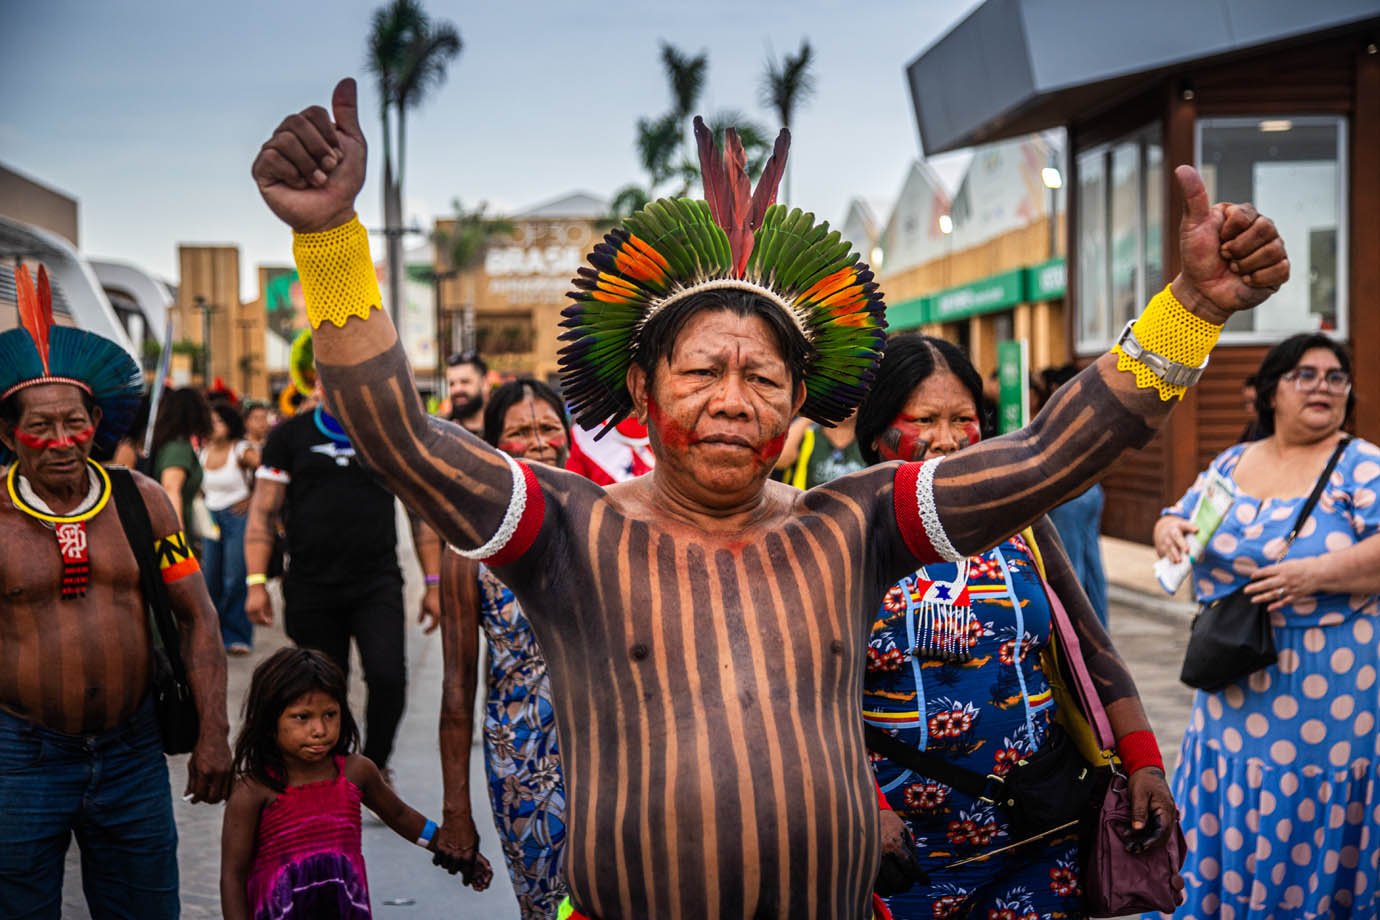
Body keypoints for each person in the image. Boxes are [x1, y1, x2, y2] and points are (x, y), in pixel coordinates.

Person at [251, 78, 1286, 918]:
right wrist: (334, 240)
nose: (732, 399)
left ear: (800, 403)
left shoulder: (854, 523)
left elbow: (1052, 452)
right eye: (703, 371)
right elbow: (393, 431)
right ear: (646, 391)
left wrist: (1190, 309)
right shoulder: (568, 528)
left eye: (762, 377)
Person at [853, 334, 1177, 918]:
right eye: (923, 418)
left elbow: (1094, 645)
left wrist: (1144, 760)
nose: (948, 439)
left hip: (1039, 828)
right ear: (877, 431)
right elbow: (812, 698)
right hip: (906, 854)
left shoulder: (1021, 521)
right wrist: (868, 809)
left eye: (964, 418)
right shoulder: (846, 533)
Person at [0, 264, 231, 918]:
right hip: (20, 757)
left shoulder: (145, 503)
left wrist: (213, 730)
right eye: (38, 428)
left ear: (97, 420)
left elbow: (198, 618)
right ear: (6, 434)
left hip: (132, 754)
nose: (60, 442)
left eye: (74, 422)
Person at [1150, 333, 1379, 918]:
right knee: (1232, 797)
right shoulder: (1233, 461)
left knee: (1310, 805)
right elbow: (1181, 517)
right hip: (1233, 685)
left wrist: (1318, 573)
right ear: (1272, 391)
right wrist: (1168, 531)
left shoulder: (1362, 464)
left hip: (1329, 690)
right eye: (1306, 374)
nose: (1323, 386)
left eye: (1335, 376)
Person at [244, 333, 409, 774]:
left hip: (377, 582)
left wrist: (433, 583)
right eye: (328, 374)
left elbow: (420, 513)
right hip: (311, 587)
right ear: (315, 380)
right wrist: (256, 583)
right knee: (323, 692)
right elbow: (262, 514)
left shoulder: (383, 435)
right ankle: (333, 770)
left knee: (389, 676)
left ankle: (372, 767)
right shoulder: (289, 438)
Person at [437, 379, 570, 918]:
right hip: (523, 757)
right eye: (520, 432)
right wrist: (456, 812)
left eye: (548, 428)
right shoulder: (470, 545)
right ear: (496, 447)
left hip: (616, 752)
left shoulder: (607, 513)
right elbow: (456, 687)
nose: (539, 442)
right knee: (545, 905)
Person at [219, 647, 483, 919]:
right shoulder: (254, 791)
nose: (319, 730)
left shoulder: (357, 772)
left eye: (330, 714)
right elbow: (233, 876)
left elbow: (401, 816)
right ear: (269, 721)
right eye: (302, 717)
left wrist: (449, 847)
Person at [1041, 364, 1111, 625]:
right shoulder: (1095, 410)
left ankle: (1078, 635)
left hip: (1069, 495)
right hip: (1092, 490)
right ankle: (1100, 632)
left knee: (1070, 571)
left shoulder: (1064, 413)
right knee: (1092, 566)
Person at [201, 401, 261, 654]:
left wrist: (252, 499)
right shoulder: (203, 452)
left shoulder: (242, 450)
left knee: (235, 577)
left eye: (218, 421)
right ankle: (212, 634)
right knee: (209, 577)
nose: (213, 426)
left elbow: (268, 472)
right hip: (211, 519)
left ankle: (236, 635)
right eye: (210, 421)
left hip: (238, 518)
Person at [149, 386, 212, 546]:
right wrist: (178, 540)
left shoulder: (171, 444)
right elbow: (171, 490)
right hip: (174, 537)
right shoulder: (179, 447)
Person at [774, 410, 867, 488]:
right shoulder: (808, 434)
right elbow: (779, 461)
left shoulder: (868, 439)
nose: (843, 405)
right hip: (805, 507)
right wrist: (810, 416)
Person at [446, 350, 489, 436]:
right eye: (452, 384)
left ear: (484, 384)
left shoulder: (503, 429)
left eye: (465, 382)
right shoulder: (441, 432)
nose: (457, 389)